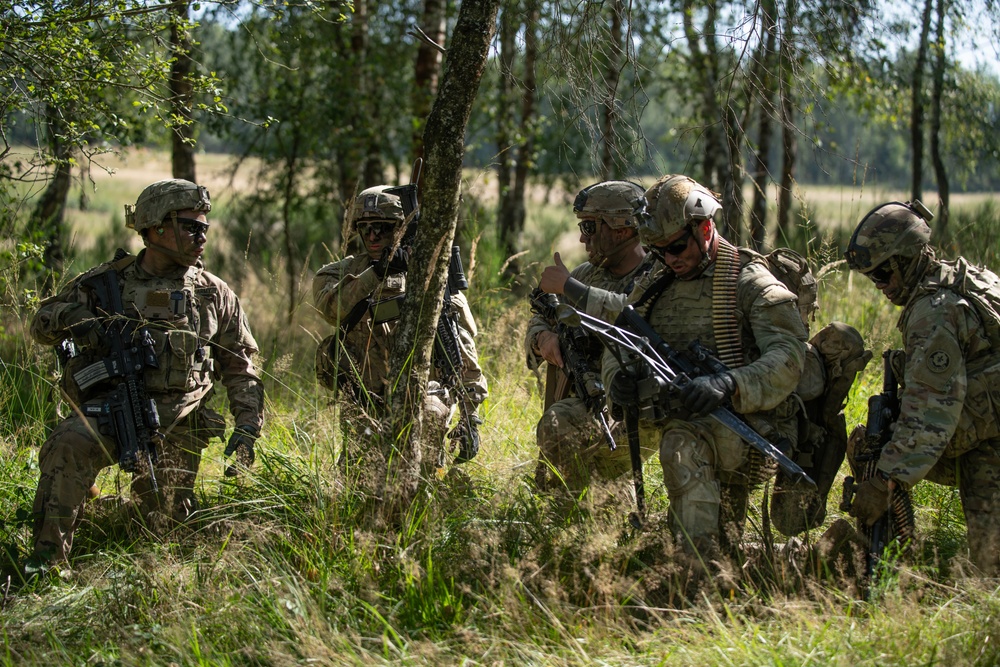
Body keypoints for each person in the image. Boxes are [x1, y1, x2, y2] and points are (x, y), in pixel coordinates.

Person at [28, 179, 265, 572]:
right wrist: (77, 318)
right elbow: (40, 325)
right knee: (67, 444)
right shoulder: (107, 283)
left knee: (161, 530)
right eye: (191, 226)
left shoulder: (212, 293)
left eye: (205, 227)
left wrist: (247, 426)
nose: (201, 237)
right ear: (155, 229)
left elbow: (241, 365)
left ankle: (103, 508)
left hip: (180, 422)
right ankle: (46, 563)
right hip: (111, 410)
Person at [602, 174, 809, 559]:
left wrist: (728, 383)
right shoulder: (655, 282)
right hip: (680, 420)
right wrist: (619, 381)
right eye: (658, 251)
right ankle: (712, 559)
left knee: (681, 448)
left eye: (677, 246)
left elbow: (790, 357)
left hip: (749, 429)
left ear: (706, 227)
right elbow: (619, 340)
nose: (670, 259)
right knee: (721, 532)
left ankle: (693, 574)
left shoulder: (746, 279)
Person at [845, 200, 1000, 575]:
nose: (879, 286)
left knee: (991, 571)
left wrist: (884, 482)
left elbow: (930, 414)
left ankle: (898, 565)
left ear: (906, 259)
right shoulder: (965, 278)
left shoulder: (933, 312)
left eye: (882, 274)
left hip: (990, 443)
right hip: (984, 428)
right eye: (871, 278)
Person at [312, 185, 488, 475]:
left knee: (426, 432)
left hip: (424, 393)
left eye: (382, 227)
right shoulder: (339, 273)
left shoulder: (432, 276)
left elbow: (462, 349)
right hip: (365, 396)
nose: (372, 236)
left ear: (400, 228)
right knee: (361, 480)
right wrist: (378, 273)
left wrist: (470, 416)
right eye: (365, 228)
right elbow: (332, 309)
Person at [526, 180, 658, 494]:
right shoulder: (588, 273)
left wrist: (569, 287)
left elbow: (629, 317)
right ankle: (574, 508)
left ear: (622, 230)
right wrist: (543, 338)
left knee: (570, 437)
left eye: (589, 227)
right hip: (587, 400)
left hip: (637, 409)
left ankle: (601, 498)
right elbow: (541, 316)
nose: (583, 238)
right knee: (559, 429)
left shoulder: (655, 277)